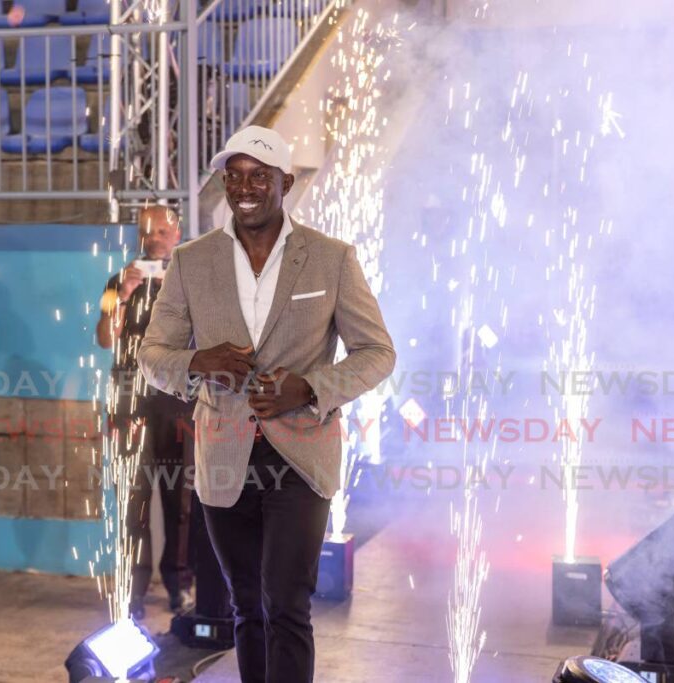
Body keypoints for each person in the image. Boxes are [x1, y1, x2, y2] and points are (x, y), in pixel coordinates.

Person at [138, 125, 395, 682]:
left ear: (286, 181)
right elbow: (152, 353)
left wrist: (310, 388)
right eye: (234, 177)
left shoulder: (331, 259)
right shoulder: (191, 261)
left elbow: (377, 352)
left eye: (258, 176)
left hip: (301, 456)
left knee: (285, 604)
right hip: (223, 459)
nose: (244, 188)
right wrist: (197, 363)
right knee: (247, 607)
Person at [97, 205, 195, 620]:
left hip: (178, 405)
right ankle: (133, 594)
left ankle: (180, 586)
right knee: (133, 502)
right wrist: (120, 298)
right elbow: (104, 339)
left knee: (182, 501)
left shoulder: (191, 281)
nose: (153, 238)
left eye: (161, 231)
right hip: (128, 405)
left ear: (176, 234)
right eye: (146, 231)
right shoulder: (119, 279)